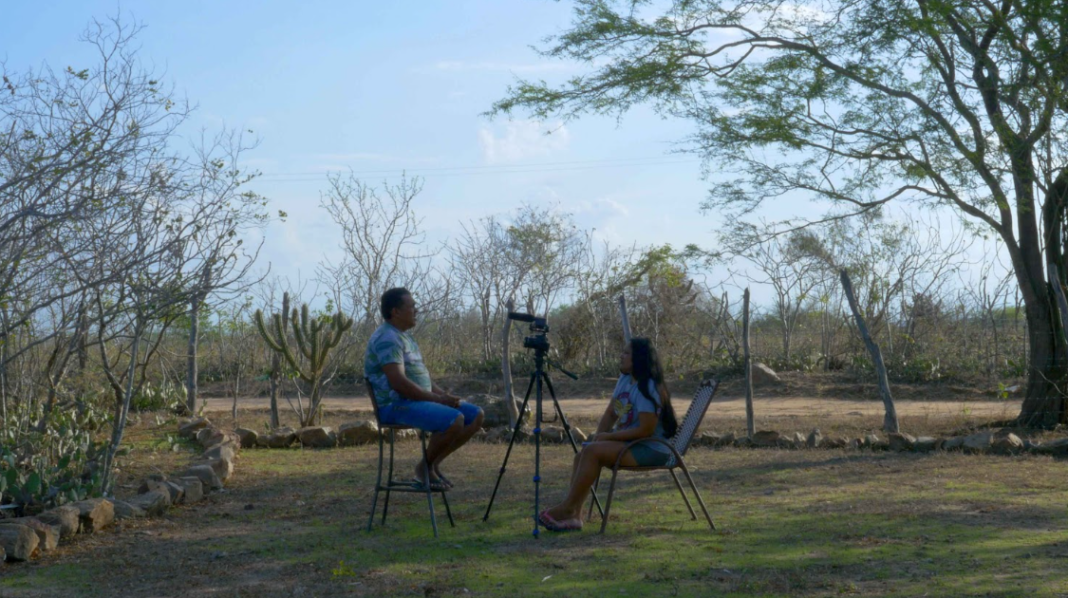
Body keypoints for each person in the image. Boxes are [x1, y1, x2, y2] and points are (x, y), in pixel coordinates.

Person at [538, 337, 678, 532]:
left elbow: (645, 430)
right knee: (583, 454)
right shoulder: (625, 379)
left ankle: (567, 508)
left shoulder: (649, 387)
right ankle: (574, 516)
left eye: (626, 353)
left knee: (593, 452)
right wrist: (598, 436)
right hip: (634, 444)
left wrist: (608, 438)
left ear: (638, 358)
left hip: (652, 448)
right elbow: (612, 413)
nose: (621, 356)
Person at [364, 287, 484, 490]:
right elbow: (399, 384)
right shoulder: (387, 339)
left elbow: (422, 379)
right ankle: (423, 469)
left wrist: (443, 395)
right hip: (395, 405)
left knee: (475, 415)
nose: (416, 311)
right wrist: (438, 401)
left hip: (416, 401)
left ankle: (430, 465)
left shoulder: (405, 337)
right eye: (412, 307)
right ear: (396, 312)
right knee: (454, 419)